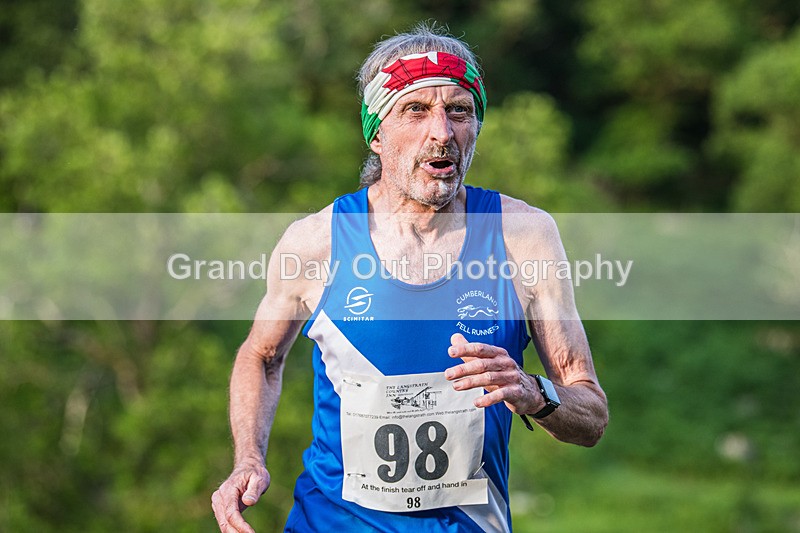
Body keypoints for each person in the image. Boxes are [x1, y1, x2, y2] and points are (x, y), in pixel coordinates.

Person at [212, 23, 608, 533]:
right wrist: (249, 458)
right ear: (376, 133)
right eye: (416, 110)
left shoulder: (522, 236)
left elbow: (590, 415)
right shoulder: (316, 243)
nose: (441, 132)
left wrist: (534, 392)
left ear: (476, 128)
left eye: (459, 111)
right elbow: (262, 356)